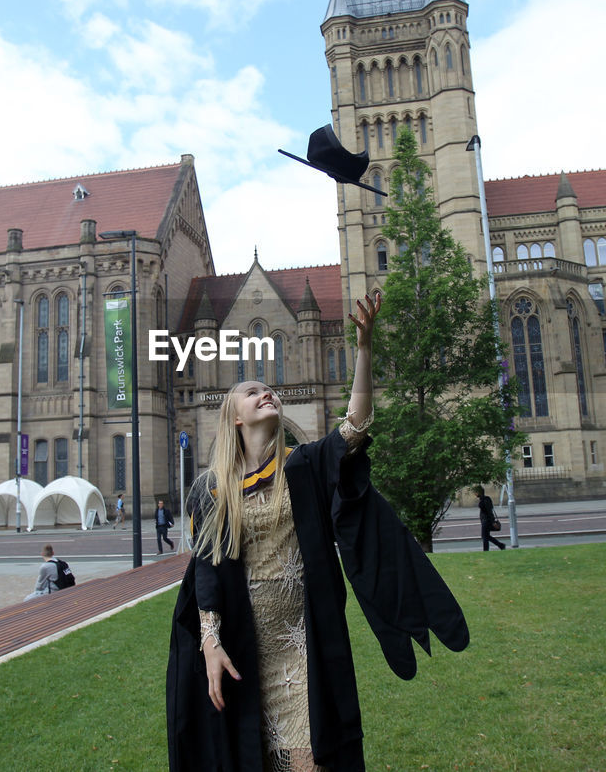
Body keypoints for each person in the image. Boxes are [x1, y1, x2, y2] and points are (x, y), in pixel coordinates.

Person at [167, 291, 469, 771]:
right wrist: (210, 643)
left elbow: (356, 424)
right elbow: (206, 574)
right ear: (235, 418)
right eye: (251, 391)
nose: (266, 391)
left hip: (302, 646)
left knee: (313, 758)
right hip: (244, 649)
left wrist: (364, 349)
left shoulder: (303, 466)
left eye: (269, 388)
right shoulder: (211, 489)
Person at [476, 487, 506, 551]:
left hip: (486, 521)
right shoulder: (484, 499)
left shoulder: (485, 500)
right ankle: (501, 545)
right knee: (486, 536)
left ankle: (486, 550)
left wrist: (493, 522)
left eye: (476, 492)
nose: (475, 494)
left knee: (484, 537)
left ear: (479, 493)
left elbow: (489, 511)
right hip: (485, 520)